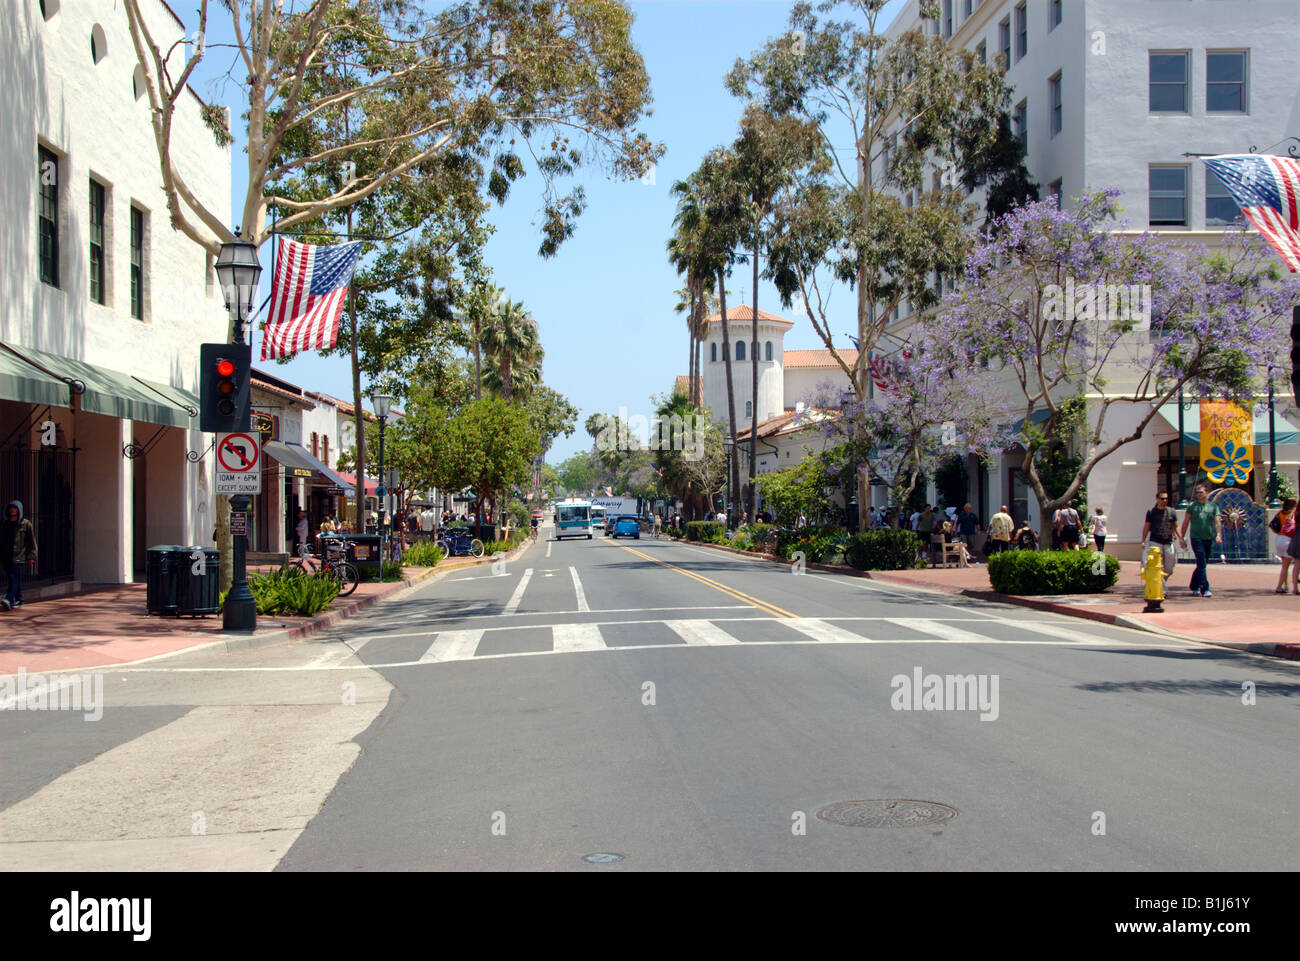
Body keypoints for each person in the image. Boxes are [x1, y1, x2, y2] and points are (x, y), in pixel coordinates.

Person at [1179, 483, 1222, 597]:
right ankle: (1205, 588)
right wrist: (1182, 537)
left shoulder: (1213, 506)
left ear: (1206, 492)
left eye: (1201, 492)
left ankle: (1194, 585)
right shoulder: (1193, 506)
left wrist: (1218, 535)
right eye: (1197, 493)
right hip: (1196, 537)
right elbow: (1186, 522)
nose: (1198, 494)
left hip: (1208, 537)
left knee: (1202, 564)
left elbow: (1217, 521)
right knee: (1202, 561)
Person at [1, 501, 38, 611]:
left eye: (15, 508)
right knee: (14, 577)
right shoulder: (4, 523)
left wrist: (32, 556)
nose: (12, 510)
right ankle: (19, 599)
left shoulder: (25, 524)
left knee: (13, 576)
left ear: (19, 510)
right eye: (10, 508)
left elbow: (32, 541)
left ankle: (8, 599)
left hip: (19, 556)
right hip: (6, 556)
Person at [1140, 491, 1184, 582]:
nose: (1164, 500)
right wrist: (1143, 540)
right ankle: (1161, 589)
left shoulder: (1172, 512)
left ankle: (1160, 583)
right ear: (1157, 499)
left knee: (1169, 569)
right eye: (1162, 498)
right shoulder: (1152, 512)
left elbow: (1176, 526)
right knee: (1157, 567)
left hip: (1168, 542)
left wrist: (1181, 538)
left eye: (1166, 498)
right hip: (1155, 542)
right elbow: (1147, 527)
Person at [1270, 498, 1296, 593]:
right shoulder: (1292, 514)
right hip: (1287, 539)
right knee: (1285, 566)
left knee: (1285, 565)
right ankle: (1279, 586)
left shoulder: (1280, 513)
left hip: (1279, 539)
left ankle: (1286, 585)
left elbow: (1272, 525)